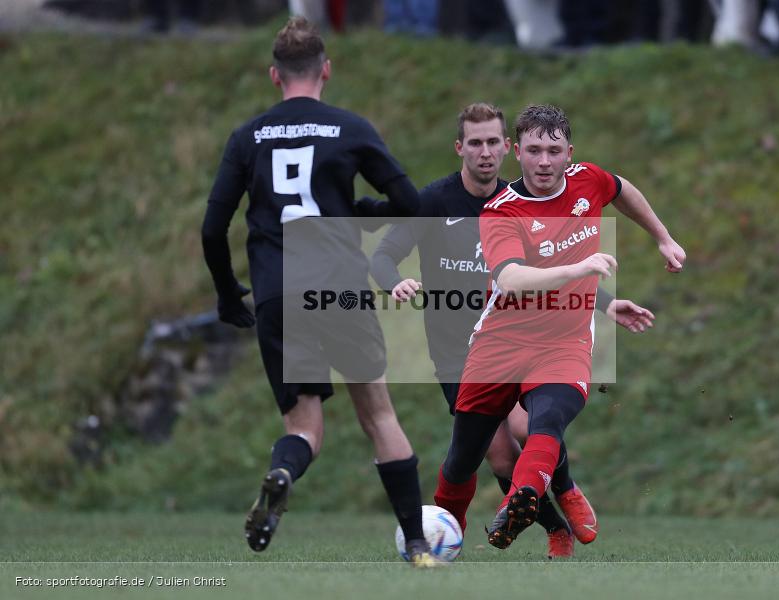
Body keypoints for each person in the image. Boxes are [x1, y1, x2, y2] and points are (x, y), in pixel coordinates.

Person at [200, 17, 442, 567]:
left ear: (274, 76)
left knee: (303, 426)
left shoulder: (248, 138)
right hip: (339, 286)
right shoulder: (350, 129)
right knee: (379, 416)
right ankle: (418, 544)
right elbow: (411, 205)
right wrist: (361, 210)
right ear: (325, 70)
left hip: (279, 294)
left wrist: (228, 294)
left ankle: (283, 473)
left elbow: (213, 229)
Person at [370, 103, 656, 558]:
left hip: (538, 337)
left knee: (534, 423)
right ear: (460, 148)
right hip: (460, 348)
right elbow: (384, 256)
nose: (485, 152)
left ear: (507, 148)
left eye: (492, 143)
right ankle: (547, 522)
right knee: (496, 454)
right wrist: (394, 283)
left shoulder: (535, 195)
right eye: (475, 143)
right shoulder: (439, 203)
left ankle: (562, 494)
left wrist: (604, 302)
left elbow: (557, 267)